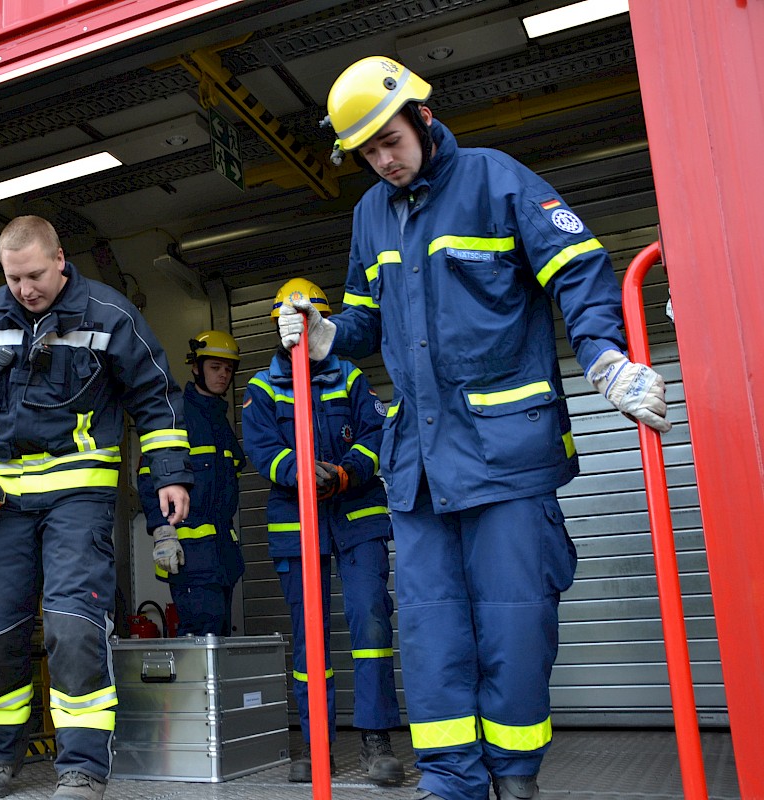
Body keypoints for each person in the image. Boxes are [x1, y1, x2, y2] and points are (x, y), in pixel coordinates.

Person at [277, 57, 672, 800]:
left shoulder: (498, 180)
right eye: (367, 154)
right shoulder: (370, 213)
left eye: (390, 142)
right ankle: (451, 784)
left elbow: (580, 268)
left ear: (423, 118)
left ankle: (515, 780)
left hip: (507, 458)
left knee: (514, 632)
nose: (383, 162)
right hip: (420, 471)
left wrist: (605, 358)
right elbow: (368, 316)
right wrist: (329, 334)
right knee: (431, 640)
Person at [0, 215, 192, 800]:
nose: (25, 289)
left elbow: (155, 397)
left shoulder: (109, 314)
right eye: (14, 278)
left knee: (73, 631)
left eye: (34, 276)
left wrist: (169, 476)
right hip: (1, 501)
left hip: (79, 496)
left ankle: (82, 768)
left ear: (60, 261)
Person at [242, 278, 405, 787]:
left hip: (357, 520)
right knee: (308, 639)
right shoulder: (262, 388)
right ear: (278, 325)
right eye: (291, 322)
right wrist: (299, 470)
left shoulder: (351, 377)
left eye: (311, 320)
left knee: (371, 625)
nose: (300, 330)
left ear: (322, 322)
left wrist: (346, 472)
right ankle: (318, 747)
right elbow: (262, 450)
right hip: (298, 525)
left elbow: (378, 435)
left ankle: (375, 741)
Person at [138, 330, 246, 637]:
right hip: (188, 556)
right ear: (196, 367)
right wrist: (161, 530)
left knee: (218, 645)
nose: (223, 374)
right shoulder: (177, 415)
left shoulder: (219, 420)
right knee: (200, 641)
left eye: (228, 369)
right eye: (215, 367)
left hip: (222, 559)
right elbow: (148, 476)